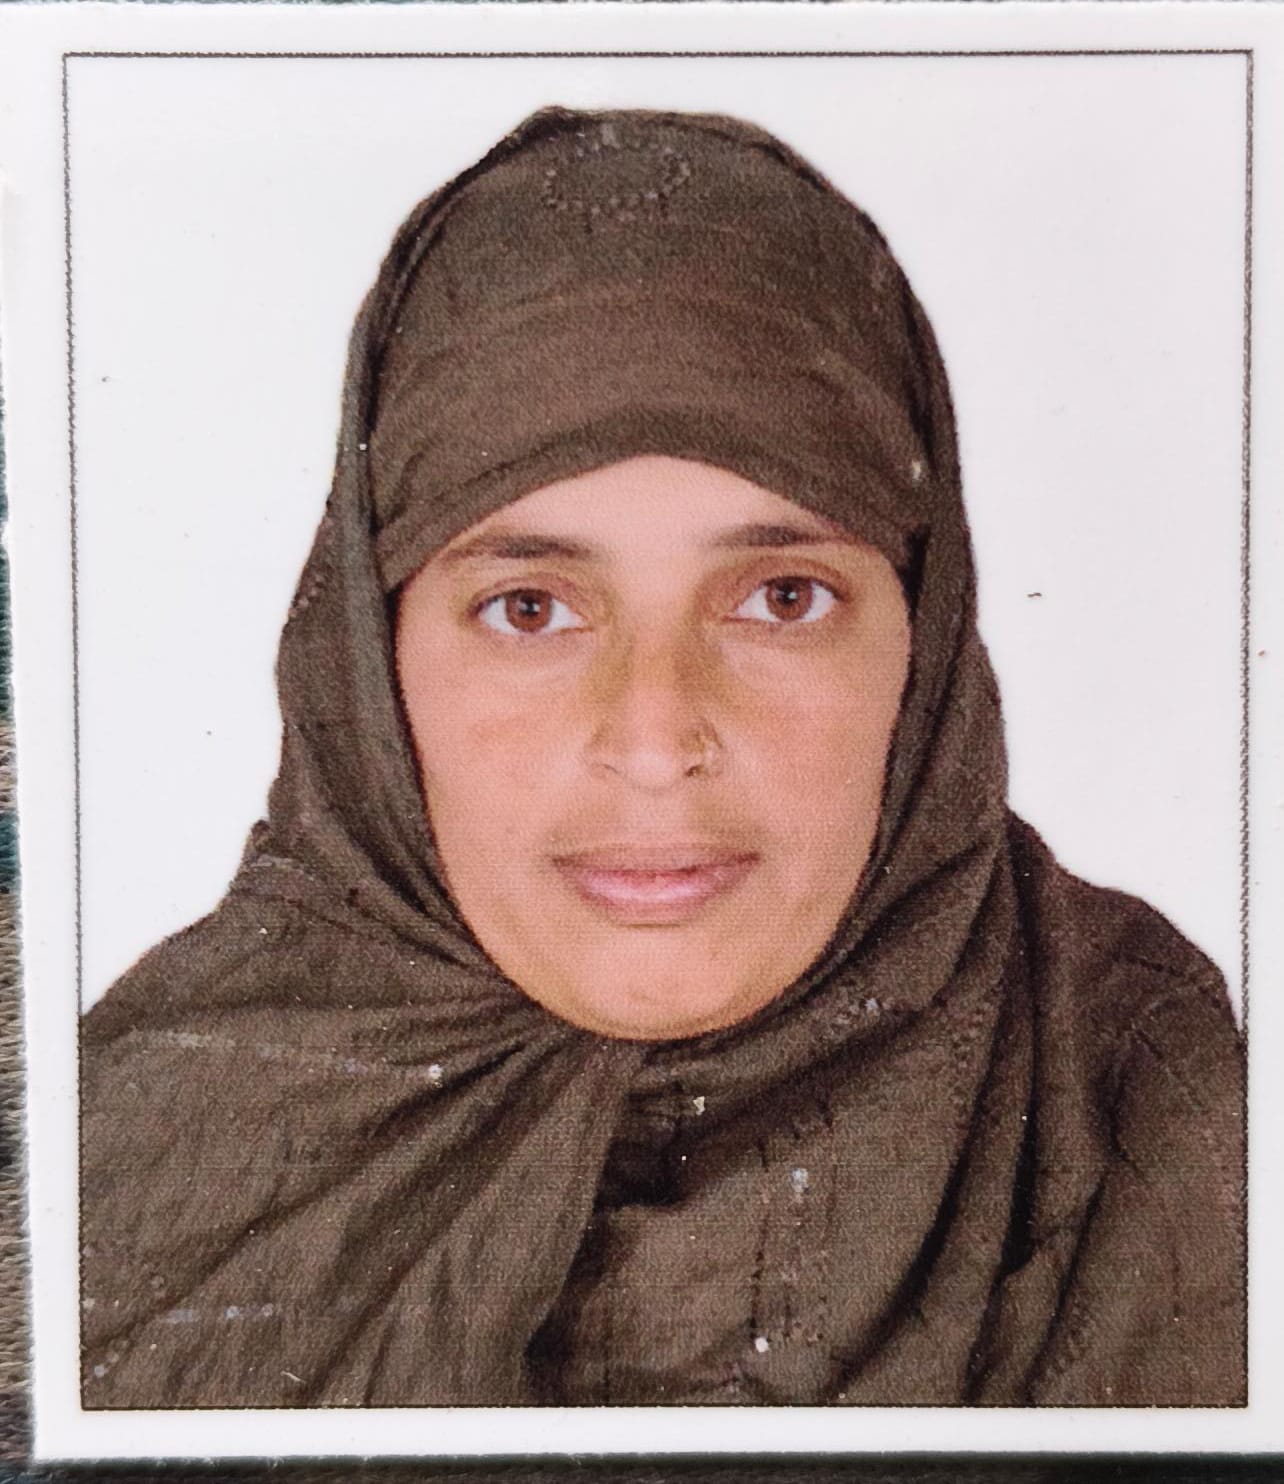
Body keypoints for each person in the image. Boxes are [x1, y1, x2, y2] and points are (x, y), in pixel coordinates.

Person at [79, 106, 1245, 1408]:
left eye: (783, 599)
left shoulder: (1149, 1112)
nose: (652, 742)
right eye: (530, 609)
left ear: (922, 649)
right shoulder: (112, 1178)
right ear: (371, 656)